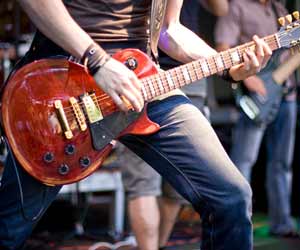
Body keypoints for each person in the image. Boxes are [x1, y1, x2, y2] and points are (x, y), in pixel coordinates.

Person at [0, 0, 272, 249]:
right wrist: (98, 61)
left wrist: (227, 66)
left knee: (230, 197)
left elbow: (169, 31)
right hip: (64, 85)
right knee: (10, 227)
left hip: (143, 82)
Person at [118, 1, 229, 249]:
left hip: (190, 69)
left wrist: (227, 64)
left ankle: (157, 245)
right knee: (143, 182)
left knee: (178, 188)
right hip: (135, 71)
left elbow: (219, 9)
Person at [215, 0, 299, 238]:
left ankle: (282, 223)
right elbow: (222, 47)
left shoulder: (280, 10)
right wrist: (248, 79)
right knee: (244, 161)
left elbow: (290, 47)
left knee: (282, 163)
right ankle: (240, 224)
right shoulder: (237, 7)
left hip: (287, 93)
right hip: (256, 94)